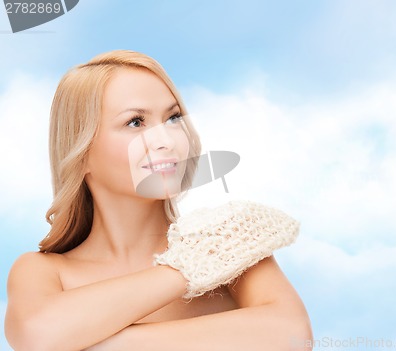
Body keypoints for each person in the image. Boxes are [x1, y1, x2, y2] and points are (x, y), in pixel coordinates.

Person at [4, 50, 312, 350]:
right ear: (81, 152)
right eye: (135, 122)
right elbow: (36, 336)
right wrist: (184, 269)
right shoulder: (42, 271)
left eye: (173, 117)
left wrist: (98, 343)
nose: (166, 141)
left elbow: (293, 336)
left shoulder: (229, 245)